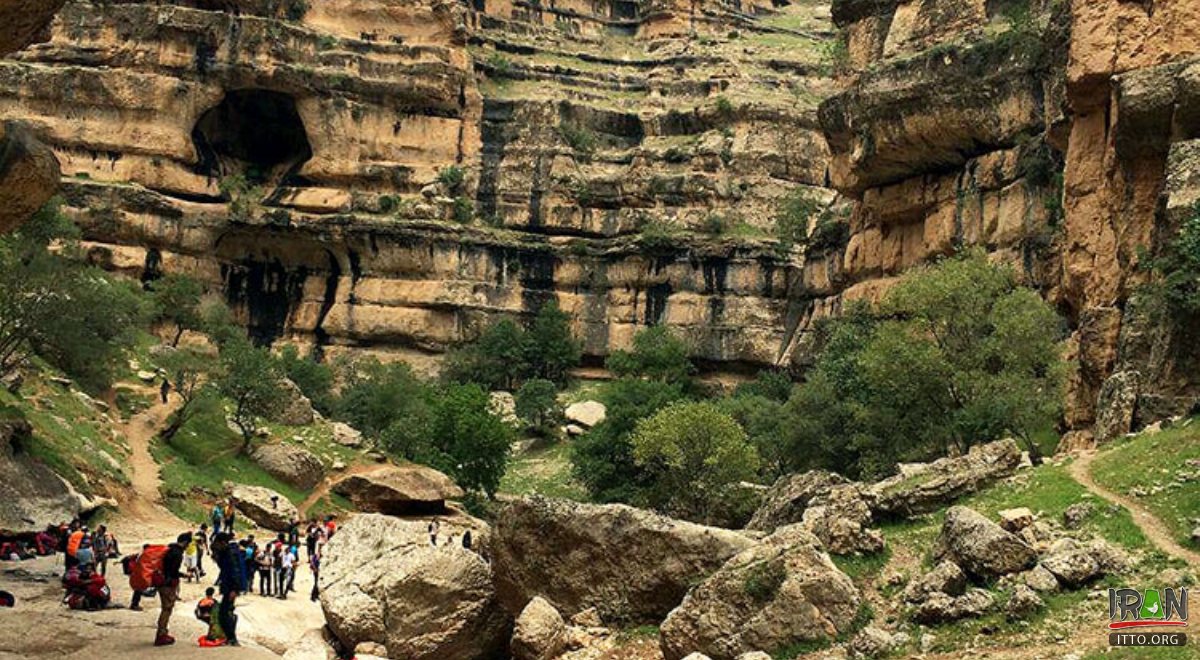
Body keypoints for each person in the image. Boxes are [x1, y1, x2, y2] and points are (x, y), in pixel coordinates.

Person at [155, 532, 188, 647]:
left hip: (161, 581)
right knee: (167, 609)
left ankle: (162, 633)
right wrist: (182, 575)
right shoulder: (177, 554)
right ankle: (161, 634)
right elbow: (173, 571)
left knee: (165, 608)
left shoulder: (169, 549)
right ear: (185, 542)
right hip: (167, 584)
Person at [212, 532, 245, 647]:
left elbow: (234, 571)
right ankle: (230, 637)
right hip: (229, 586)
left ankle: (231, 638)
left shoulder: (230, 554)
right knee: (227, 611)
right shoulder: (229, 552)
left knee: (223, 613)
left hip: (231, 587)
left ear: (222, 542)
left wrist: (234, 590)